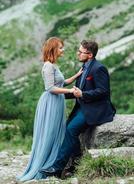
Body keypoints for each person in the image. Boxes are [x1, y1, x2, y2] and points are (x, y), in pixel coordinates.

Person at [40, 40, 116, 178]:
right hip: (82, 106)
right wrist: (56, 96)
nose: (78, 53)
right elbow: (75, 91)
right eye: (79, 51)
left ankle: (57, 168)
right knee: (67, 129)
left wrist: (83, 94)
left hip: (95, 108)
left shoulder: (98, 68)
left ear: (90, 55)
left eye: (81, 52)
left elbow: (103, 91)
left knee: (70, 130)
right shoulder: (84, 67)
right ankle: (76, 162)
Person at [17, 37, 82, 181]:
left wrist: (77, 75)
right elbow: (51, 88)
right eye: (60, 47)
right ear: (53, 49)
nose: (62, 50)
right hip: (50, 103)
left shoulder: (54, 65)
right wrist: (71, 91)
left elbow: (61, 82)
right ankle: (43, 167)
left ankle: (53, 164)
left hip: (56, 102)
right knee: (50, 132)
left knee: (56, 132)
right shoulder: (48, 66)